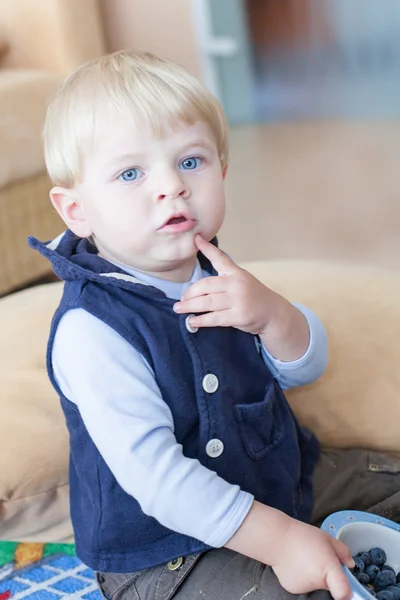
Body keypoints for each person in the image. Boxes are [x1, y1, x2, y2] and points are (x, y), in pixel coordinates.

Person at [29, 50, 399, 600]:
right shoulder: (94, 332)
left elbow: (302, 368)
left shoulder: (216, 270)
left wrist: (273, 314)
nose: (171, 187)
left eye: (191, 161)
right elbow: (159, 481)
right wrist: (282, 544)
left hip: (277, 480)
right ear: (77, 210)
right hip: (168, 552)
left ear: (222, 170)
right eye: (131, 173)